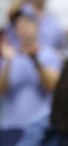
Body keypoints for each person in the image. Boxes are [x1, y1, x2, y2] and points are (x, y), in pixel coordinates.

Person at [0, 10, 62, 145]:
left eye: (27, 24)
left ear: (37, 27)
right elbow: (1, 91)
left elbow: (55, 87)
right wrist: (8, 62)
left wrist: (35, 61)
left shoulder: (50, 54)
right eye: (18, 26)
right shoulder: (10, 56)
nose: (23, 29)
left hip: (41, 125)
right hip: (11, 125)